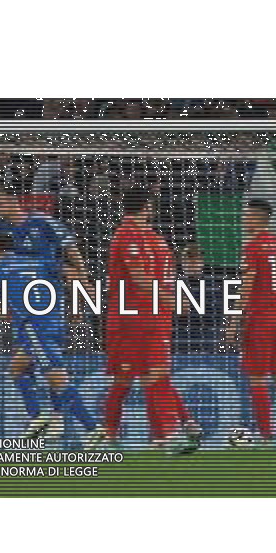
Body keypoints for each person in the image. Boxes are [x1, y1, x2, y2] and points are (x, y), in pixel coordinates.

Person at [99, 188, 199, 453]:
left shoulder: (125, 235)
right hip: (153, 319)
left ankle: (165, 436)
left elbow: (141, 279)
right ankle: (170, 432)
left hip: (132, 319)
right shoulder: (158, 240)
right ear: (148, 208)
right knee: (147, 378)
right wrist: (174, 300)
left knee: (140, 379)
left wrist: (171, 300)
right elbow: (159, 278)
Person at [0, 234, 98, 444]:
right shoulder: (40, 261)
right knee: (19, 368)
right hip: (56, 326)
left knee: (57, 379)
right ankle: (43, 419)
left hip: (34, 329)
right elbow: (74, 275)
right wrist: (77, 306)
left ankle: (91, 427)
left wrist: (15, 311)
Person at [225, 199, 276, 445]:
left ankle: (266, 438)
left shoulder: (253, 247)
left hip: (261, 318)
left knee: (257, 378)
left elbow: (246, 286)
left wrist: (233, 321)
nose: (243, 220)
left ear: (256, 217)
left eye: (246, 215)